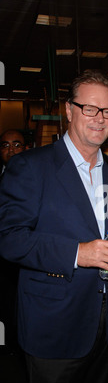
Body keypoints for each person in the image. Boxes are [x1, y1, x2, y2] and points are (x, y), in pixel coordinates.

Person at [0, 69, 108, 383]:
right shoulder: (30, 167)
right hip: (53, 328)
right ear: (69, 111)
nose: (99, 119)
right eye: (89, 108)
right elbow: (10, 238)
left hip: (103, 325)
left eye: (107, 111)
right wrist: (78, 253)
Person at [0, 130, 26, 354]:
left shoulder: (33, 178)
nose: (11, 150)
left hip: (22, 261)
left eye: (16, 145)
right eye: (6, 145)